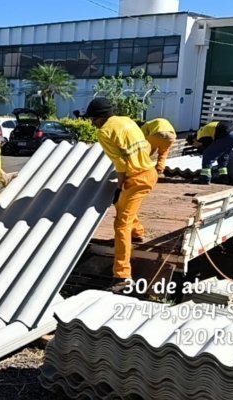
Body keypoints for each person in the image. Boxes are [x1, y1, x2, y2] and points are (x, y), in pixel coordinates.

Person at [83, 97, 158, 293]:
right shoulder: (127, 120)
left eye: (92, 119)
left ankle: (122, 275)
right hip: (149, 172)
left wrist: (120, 185)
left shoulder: (105, 132)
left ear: (99, 118)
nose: (92, 123)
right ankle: (139, 233)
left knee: (120, 224)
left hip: (136, 179)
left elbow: (121, 165)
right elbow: (146, 148)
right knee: (124, 207)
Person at [187, 121, 233, 185]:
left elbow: (209, 148)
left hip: (228, 134)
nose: (196, 146)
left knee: (207, 154)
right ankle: (224, 177)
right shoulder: (203, 130)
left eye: (194, 145)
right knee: (223, 154)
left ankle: (205, 178)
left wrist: (203, 151)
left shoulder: (200, 135)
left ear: (194, 140)